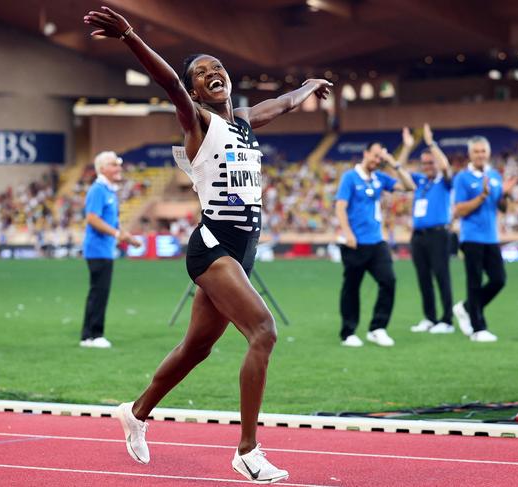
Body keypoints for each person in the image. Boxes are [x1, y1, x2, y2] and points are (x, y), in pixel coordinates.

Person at [84, 6, 332, 483]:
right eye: (201, 73)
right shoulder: (196, 120)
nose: (211, 74)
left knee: (197, 347)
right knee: (263, 331)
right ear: (194, 90)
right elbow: (170, 85)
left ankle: (135, 413)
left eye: (217, 68)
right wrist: (132, 36)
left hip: (243, 249)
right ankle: (247, 450)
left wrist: (306, 88)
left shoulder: (240, 122)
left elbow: (277, 106)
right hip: (214, 246)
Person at [335, 141, 415, 347]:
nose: (377, 160)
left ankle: (377, 328)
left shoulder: (380, 178)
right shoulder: (350, 177)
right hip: (354, 243)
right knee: (351, 288)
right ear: (366, 153)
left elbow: (409, 186)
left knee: (389, 281)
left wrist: (393, 162)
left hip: (377, 241)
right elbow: (340, 207)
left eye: (381, 158)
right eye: (376, 155)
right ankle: (348, 332)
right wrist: (348, 233)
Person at [452, 136, 517, 342]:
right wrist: (482, 196)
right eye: (476, 151)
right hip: (471, 237)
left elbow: (503, 208)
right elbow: (459, 210)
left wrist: (505, 194)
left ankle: (467, 308)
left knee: (499, 280)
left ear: (488, 153)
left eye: (483, 151)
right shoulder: (462, 178)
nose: (480, 155)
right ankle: (478, 328)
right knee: (475, 282)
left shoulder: (495, 175)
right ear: (470, 154)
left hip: (491, 237)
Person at [80, 151, 139, 349]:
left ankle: (88, 335)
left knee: (97, 292)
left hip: (103, 249)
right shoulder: (98, 190)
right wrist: (116, 234)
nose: (118, 168)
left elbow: (111, 222)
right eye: (114, 164)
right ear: (102, 168)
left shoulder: (108, 191)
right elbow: (92, 218)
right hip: (98, 249)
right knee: (100, 292)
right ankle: (95, 335)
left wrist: (128, 238)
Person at [402, 125, 455, 334]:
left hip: (438, 234)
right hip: (418, 236)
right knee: (423, 278)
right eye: (424, 163)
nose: (427, 166)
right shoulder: (421, 181)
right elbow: (399, 170)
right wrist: (406, 148)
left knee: (442, 276)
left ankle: (447, 320)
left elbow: (446, 167)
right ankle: (430, 318)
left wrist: (431, 144)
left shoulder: (444, 182)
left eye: (430, 162)